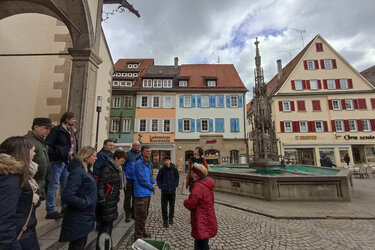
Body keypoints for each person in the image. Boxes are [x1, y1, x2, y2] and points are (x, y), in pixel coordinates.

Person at [0, 136, 40, 250]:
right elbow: (4, 218)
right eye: (33, 150)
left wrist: (33, 199)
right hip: (18, 239)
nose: (35, 153)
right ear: (23, 152)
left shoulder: (17, 175)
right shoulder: (10, 178)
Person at [59, 146, 97, 250]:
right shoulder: (78, 172)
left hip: (85, 216)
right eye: (94, 156)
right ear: (86, 157)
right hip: (78, 217)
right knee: (77, 246)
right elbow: (67, 196)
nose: (96, 158)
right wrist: (86, 203)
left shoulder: (86, 170)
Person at [45, 112, 78, 219]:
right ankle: (50, 210)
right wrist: (57, 155)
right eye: (73, 119)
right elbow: (49, 144)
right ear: (67, 120)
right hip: (58, 161)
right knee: (54, 185)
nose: (75, 121)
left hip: (68, 161)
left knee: (66, 185)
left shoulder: (72, 131)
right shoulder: (57, 130)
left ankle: (65, 207)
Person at [96, 150, 126, 250]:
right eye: (122, 161)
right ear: (116, 158)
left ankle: (106, 247)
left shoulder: (116, 169)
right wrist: (102, 200)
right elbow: (101, 185)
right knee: (104, 230)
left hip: (112, 202)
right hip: (107, 203)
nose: (123, 163)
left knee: (108, 228)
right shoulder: (107, 168)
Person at [184, 163, 217, 250]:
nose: (191, 175)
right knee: (204, 241)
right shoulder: (208, 183)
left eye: (192, 173)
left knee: (199, 243)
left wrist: (185, 202)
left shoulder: (198, 186)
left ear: (197, 174)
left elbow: (191, 203)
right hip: (208, 216)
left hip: (200, 218)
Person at [25, 118, 53, 201]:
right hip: (31, 186)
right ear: (36, 127)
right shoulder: (28, 141)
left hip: (39, 186)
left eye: (49, 129)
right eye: (46, 128)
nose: (48, 131)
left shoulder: (41, 141)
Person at [133, 145, 156, 241]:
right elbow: (141, 179)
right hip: (141, 193)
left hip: (147, 192)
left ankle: (142, 231)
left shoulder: (149, 163)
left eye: (150, 151)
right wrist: (151, 186)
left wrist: (154, 182)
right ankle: (138, 237)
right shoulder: (139, 163)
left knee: (144, 214)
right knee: (140, 215)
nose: (149, 153)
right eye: (147, 151)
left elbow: (150, 176)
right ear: (142, 152)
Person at [156, 156, 179, 228]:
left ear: (170, 161)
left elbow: (177, 177)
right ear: (164, 161)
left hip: (172, 190)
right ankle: (165, 220)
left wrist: (175, 185)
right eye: (165, 160)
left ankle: (171, 218)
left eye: (168, 160)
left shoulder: (174, 168)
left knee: (172, 205)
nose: (167, 162)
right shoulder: (162, 169)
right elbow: (158, 179)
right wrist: (161, 186)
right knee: (164, 206)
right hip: (164, 191)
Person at [123, 141, 141, 222]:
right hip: (128, 179)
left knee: (135, 198)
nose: (139, 147)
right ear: (133, 146)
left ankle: (133, 213)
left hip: (136, 180)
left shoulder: (140, 155)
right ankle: (127, 214)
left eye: (139, 145)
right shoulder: (127, 154)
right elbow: (123, 166)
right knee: (127, 198)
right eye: (137, 145)